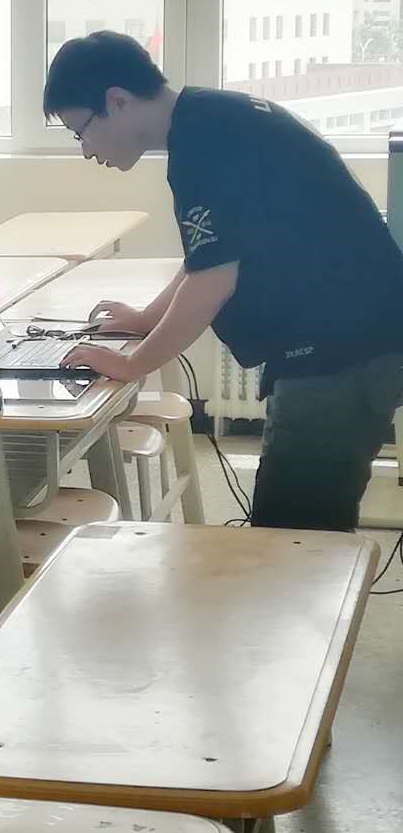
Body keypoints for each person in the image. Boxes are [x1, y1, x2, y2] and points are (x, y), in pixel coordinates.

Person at [46, 30, 403, 532]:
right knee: (298, 527)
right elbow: (209, 255)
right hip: (348, 339)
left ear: (118, 101)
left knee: (294, 536)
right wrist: (146, 320)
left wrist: (132, 364)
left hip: (342, 353)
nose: (85, 150)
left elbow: (213, 280)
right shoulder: (211, 120)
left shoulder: (205, 144)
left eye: (80, 131)